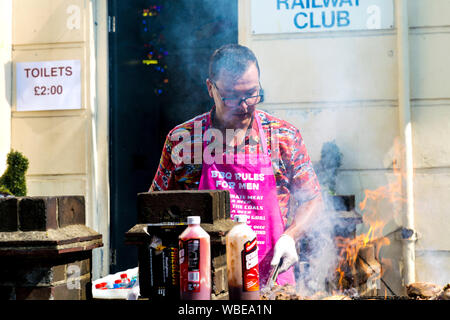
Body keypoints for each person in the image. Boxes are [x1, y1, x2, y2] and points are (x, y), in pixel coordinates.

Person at [150, 43, 323, 286]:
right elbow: (154, 208)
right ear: (211, 88)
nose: (244, 106)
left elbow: (313, 200)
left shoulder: (284, 136)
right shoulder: (183, 141)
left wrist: (290, 237)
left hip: (270, 279)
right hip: (202, 282)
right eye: (231, 97)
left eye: (252, 94)